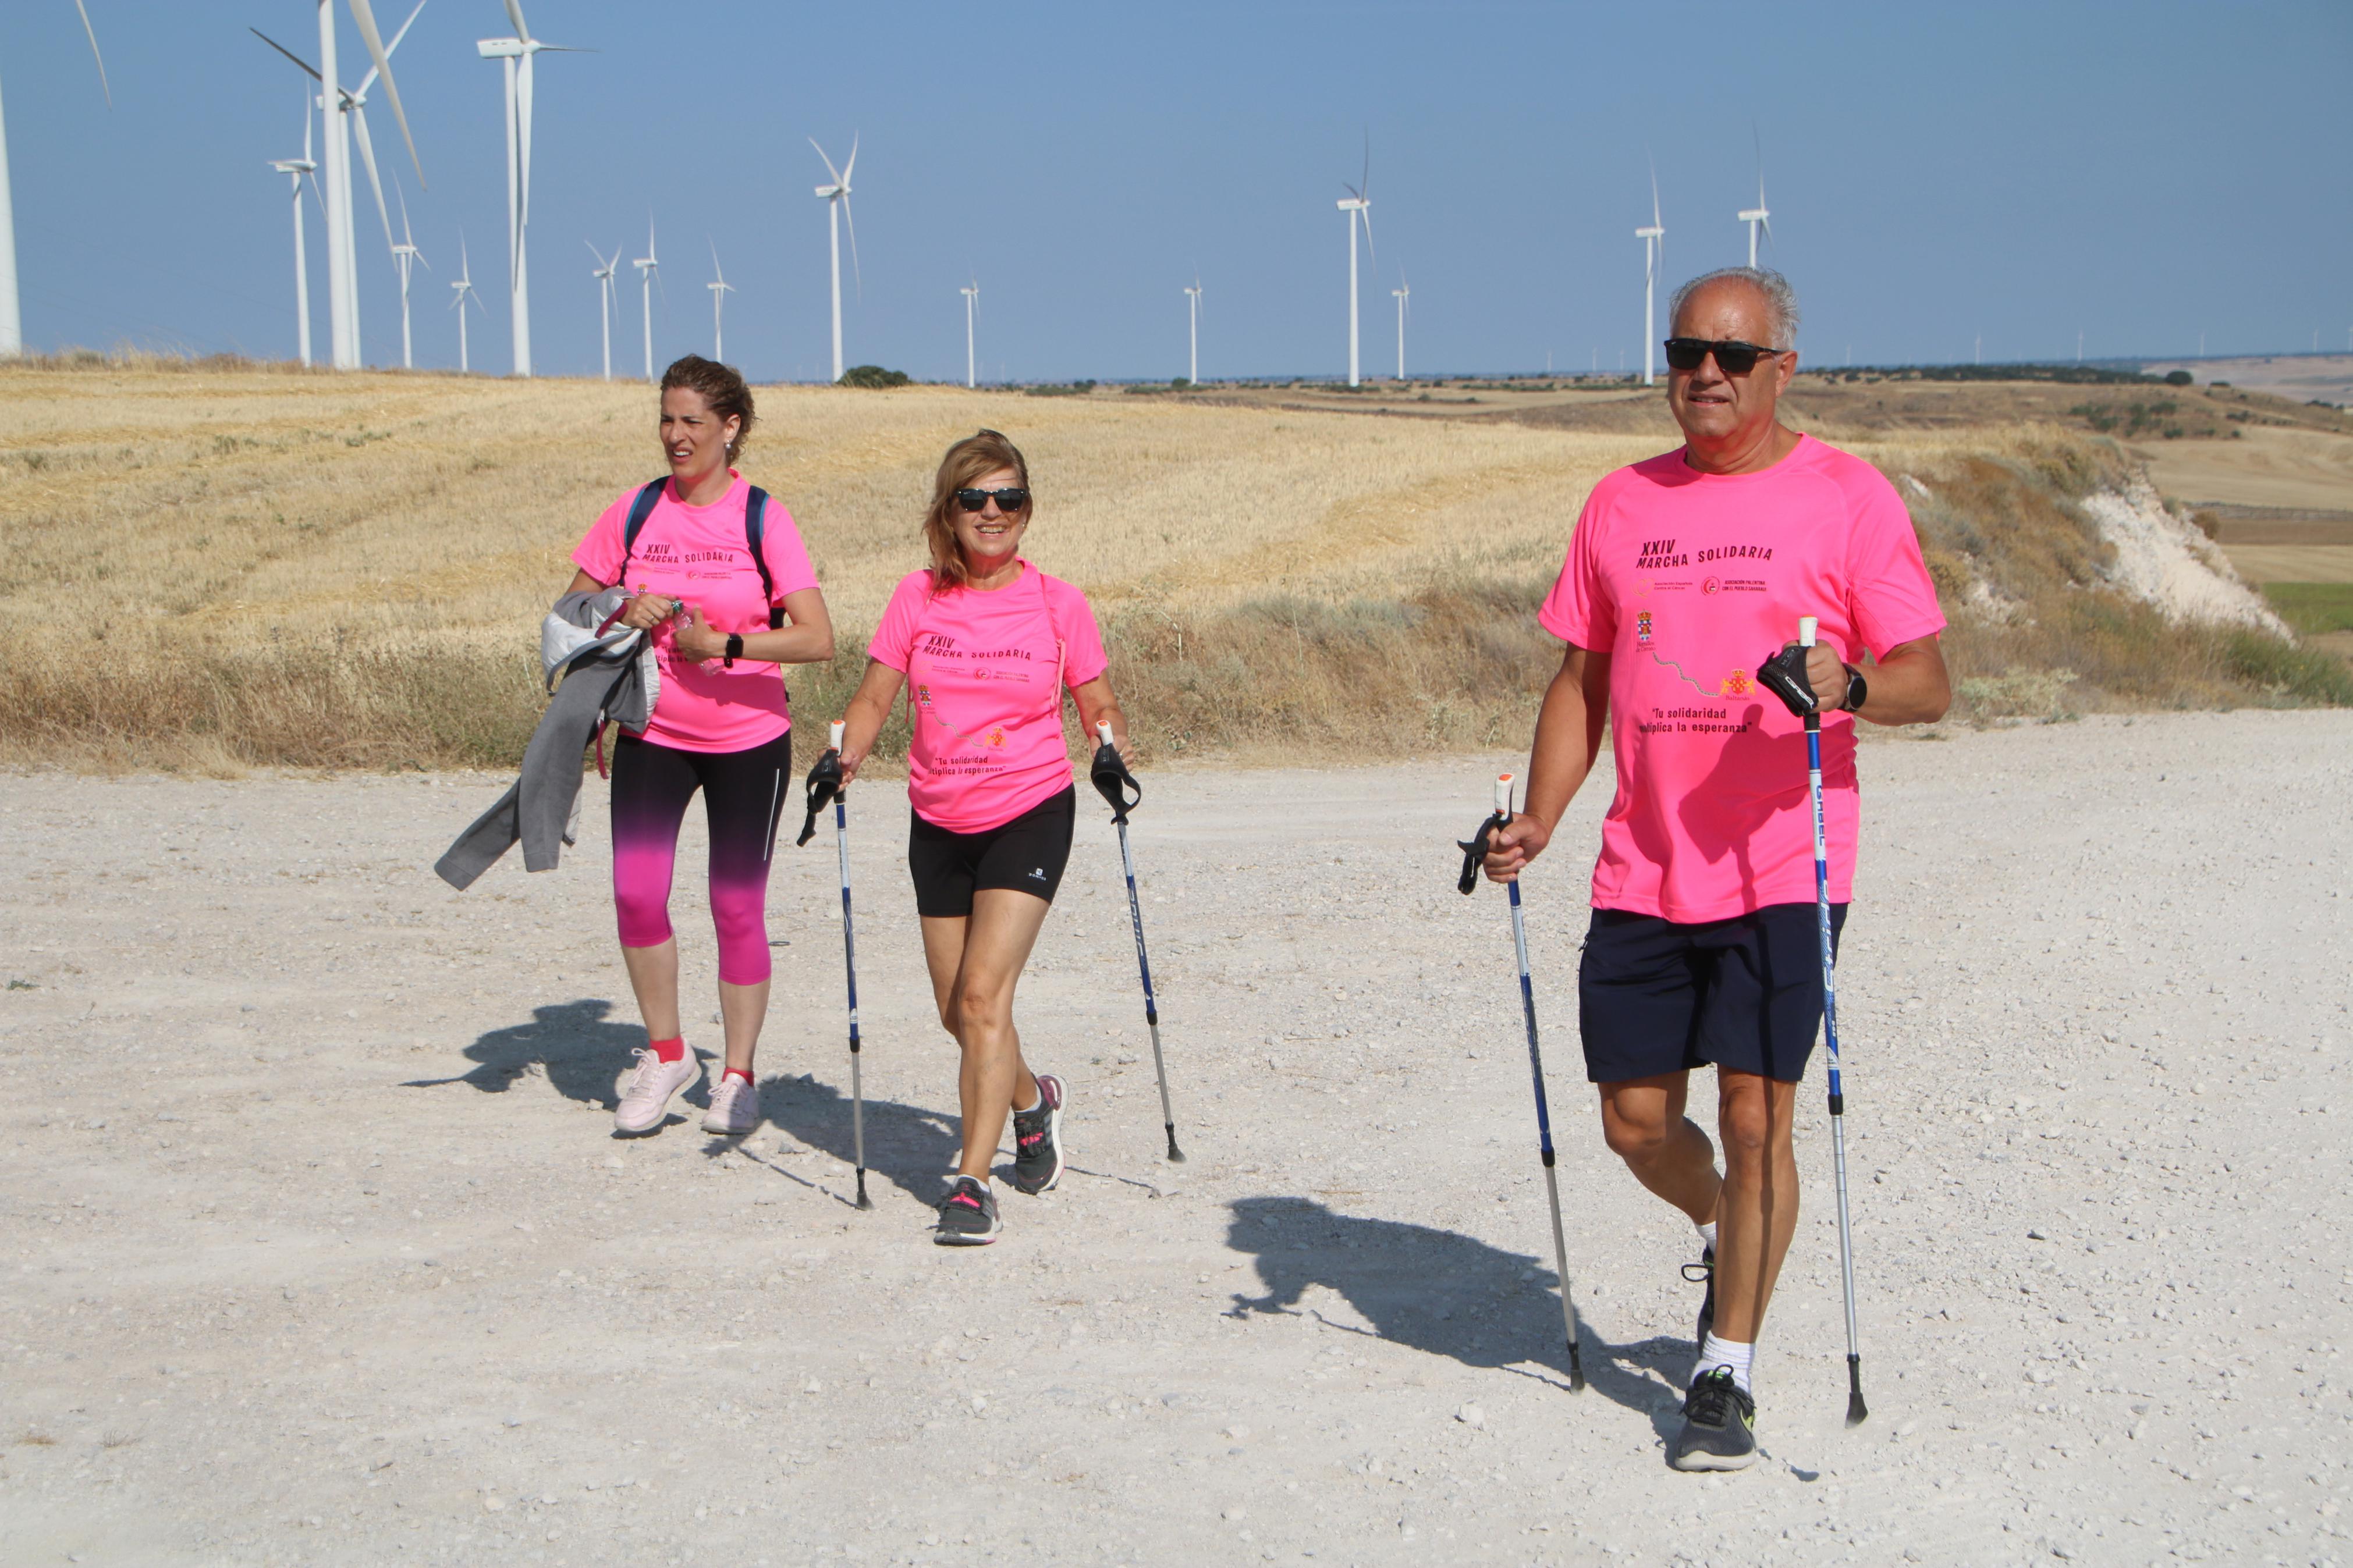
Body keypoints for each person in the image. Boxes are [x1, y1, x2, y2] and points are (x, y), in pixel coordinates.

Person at [1482, 268, 1950, 1471]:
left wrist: (1851, 686)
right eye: (1687, 349)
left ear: (1782, 369)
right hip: (1647, 861)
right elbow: (1582, 682)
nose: (1706, 373)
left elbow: (1928, 681)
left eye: (1733, 356)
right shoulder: (1620, 502)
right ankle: (1720, 1224)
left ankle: (1724, 1370)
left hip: (1785, 858)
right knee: (1637, 1123)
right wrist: (1539, 816)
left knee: (1755, 1120)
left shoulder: (1846, 499)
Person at [834, 429, 1127, 1246]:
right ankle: (1033, 1105)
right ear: (949, 510)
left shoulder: (1058, 602)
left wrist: (1107, 749)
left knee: (980, 996)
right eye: (975, 499)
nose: (993, 513)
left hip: (1031, 808)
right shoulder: (916, 598)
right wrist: (843, 755)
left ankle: (971, 1182)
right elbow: (871, 699)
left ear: (1028, 510)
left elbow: (1096, 700)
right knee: (957, 1012)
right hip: (938, 818)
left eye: (1009, 499)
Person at [564, 355, 836, 1139]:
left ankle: (740, 1077)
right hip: (654, 731)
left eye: (692, 421)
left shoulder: (763, 518)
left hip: (750, 742)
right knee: (637, 895)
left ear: (731, 427)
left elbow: (817, 638)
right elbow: (572, 608)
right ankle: (668, 1053)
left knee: (735, 906)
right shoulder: (635, 511)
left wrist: (726, 644)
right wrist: (621, 602)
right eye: (666, 419)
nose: (675, 436)